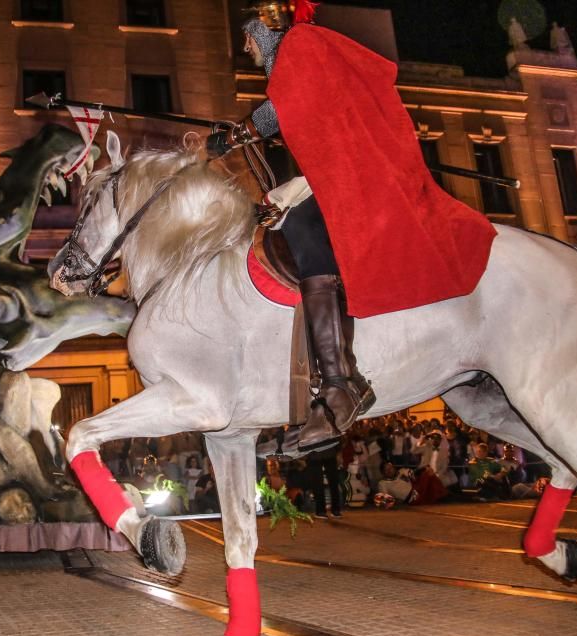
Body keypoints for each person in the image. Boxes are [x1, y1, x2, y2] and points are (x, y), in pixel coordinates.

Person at [205, 1, 497, 449]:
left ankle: (342, 384)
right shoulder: (303, 59)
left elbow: (282, 111)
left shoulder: (300, 46)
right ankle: (301, 393)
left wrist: (236, 135)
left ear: (266, 29)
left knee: (302, 231)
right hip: (339, 175)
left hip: (357, 178)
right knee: (288, 224)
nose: (248, 51)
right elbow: (305, 120)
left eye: (250, 40)